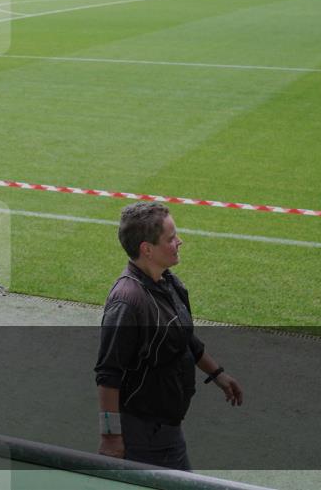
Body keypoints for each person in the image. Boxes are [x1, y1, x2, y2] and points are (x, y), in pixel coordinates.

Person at [94, 201, 242, 470]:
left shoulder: (168, 282)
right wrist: (111, 437)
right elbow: (108, 375)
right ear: (147, 249)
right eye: (171, 238)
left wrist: (217, 373)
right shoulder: (127, 303)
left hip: (165, 428)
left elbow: (183, 337)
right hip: (144, 434)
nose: (180, 242)